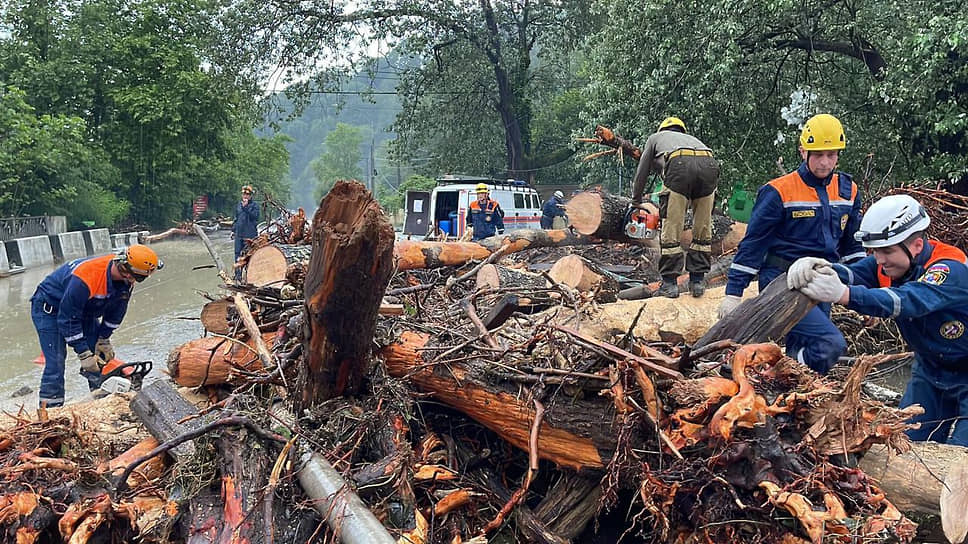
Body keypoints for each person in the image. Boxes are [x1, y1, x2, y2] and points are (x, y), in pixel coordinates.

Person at [789, 195, 968, 444]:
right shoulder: (887, 264)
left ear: (916, 245)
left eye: (886, 251)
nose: (880, 260)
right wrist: (819, 267)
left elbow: (909, 300)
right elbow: (853, 273)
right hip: (930, 369)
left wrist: (845, 295)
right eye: (874, 251)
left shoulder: (949, 269)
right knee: (906, 444)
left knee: (960, 458)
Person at [717, 113, 865, 374]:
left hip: (822, 278)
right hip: (783, 283)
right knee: (829, 344)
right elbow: (753, 245)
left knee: (806, 350)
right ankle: (779, 372)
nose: (825, 162)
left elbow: (852, 248)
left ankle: (789, 395)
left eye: (831, 155)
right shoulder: (778, 191)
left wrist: (865, 294)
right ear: (802, 151)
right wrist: (733, 294)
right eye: (818, 154)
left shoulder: (848, 190)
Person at [30, 244, 162, 408]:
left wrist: (104, 339)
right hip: (50, 309)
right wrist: (83, 353)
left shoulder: (127, 280)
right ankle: (50, 409)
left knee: (99, 355)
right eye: (138, 277)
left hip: (84, 309)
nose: (136, 281)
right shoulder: (86, 277)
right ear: (126, 270)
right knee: (56, 361)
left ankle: (101, 399)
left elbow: (117, 311)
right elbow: (68, 319)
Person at [630, 116, 720, 298]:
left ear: (662, 128)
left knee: (672, 227)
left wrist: (636, 200)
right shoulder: (693, 140)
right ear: (681, 129)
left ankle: (670, 283)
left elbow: (642, 172)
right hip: (709, 165)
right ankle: (697, 281)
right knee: (702, 228)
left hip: (680, 164)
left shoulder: (655, 138)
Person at [233, 184, 260, 269]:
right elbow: (236, 218)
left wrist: (246, 208)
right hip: (239, 234)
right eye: (244, 194)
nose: (245, 196)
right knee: (237, 254)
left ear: (251, 196)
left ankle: (249, 275)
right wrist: (233, 230)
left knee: (249, 255)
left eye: (247, 194)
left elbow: (255, 217)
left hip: (249, 235)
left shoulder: (255, 206)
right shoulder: (239, 205)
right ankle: (237, 277)